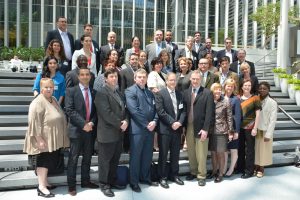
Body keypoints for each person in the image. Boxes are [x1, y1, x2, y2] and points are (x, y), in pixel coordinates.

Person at [24, 78, 69, 198]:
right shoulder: (37, 102)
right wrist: (39, 139)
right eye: (46, 87)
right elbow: (34, 122)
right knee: (43, 161)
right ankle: (41, 187)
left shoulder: (53, 99)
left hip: (51, 137)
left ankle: (45, 183)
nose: (49, 89)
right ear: (41, 88)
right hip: (43, 138)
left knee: (49, 160)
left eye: (51, 87)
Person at [65, 67, 99, 196]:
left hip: (90, 130)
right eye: (82, 75)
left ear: (90, 77)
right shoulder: (71, 91)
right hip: (76, 130)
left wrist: (91, 123)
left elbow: (96, 112)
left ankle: (86, 181)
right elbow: (69, 110)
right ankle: (71, 186)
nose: (85, 76)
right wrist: (83, 124)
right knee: (73, 159)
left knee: (87, 157)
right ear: (78, 77)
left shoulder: (94, 92)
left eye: (87, 74)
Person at [95, 68, 129, 197]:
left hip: (118, 134)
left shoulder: (119, 93)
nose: (114, 79)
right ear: (105, 79)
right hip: (107, 134)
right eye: (111, 77)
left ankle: (112, 180)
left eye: (115, 76)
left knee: (115, 160)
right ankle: (104, 184)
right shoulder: (101, 93)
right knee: (105, 161)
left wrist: (126, 120)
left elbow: (124, 111)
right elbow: (106, 114)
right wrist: (121, 124)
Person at [125, 68, 159, 193]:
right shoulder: (130, 91)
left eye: (144, 77)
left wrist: (154, 121)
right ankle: (134, 182)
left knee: (147, 156)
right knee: (135, 156)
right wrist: (147, 124)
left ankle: (145, 177)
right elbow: (134, 110)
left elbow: (156, 109)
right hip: (138, 130)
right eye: (139, 77)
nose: (142, 79)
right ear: (135, 78)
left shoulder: (150, 93)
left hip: (150, 129)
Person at [183, 71, 214, 186]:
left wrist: (206, 129)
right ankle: (193, 171)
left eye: (197, 79)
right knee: (191, 151)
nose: (195, 81)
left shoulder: (207, 93)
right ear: (190, 79)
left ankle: (201, 175)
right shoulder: (186, 93)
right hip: (189, 126)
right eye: (193, 79)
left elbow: (209, 113)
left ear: (201, 80)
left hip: (201, 127)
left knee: (201, 153)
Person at [155, 72, 186, 189]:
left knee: (175, 154)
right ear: (166, 81)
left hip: (177, 129)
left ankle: (174, 175)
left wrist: (179, 123)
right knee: (163, 154)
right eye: (171, 80)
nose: (173, 82)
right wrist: (172, 122)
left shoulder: (180, 94)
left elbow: (183, 111)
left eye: (174, 80)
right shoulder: (160, 94)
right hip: (165, 130)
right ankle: (162, 177)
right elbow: (160, 111)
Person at [207, 83, 233, 183]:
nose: (217, 91)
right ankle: (214, 171)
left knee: (220, 153)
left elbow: (230, 118)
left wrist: (231, 131)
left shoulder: (226, 102)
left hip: (222, 131)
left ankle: (221, 173)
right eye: (215, 89)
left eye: (219, 89)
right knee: (213, 152)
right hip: (211, 131)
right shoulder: (209, 101)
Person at [237, 79, 261, 179]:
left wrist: (255, 128)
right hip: (240, 128)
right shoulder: (238, 98)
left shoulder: (255, 98)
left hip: (250, 128)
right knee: (240, 149)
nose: (247, 87)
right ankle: (240, 168)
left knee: (250, 150)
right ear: (242, 87)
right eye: (245, 85)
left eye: (249, 85)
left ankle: (249, 171)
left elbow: (258, 114)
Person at [255, 81, 277, 178]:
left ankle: (261, 167)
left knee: (264, 150)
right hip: (256, 129)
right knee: (256, 149)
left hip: (265, 130)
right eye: (260, 88)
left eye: (264, 89)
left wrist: (269, 134)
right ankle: (256, 165)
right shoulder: (255, 99)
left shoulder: (272, 102)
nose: (262, 90)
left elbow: (273, 120)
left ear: (268, 90)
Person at [223, 79, 241, 177]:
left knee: (233, 149)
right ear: (224, 86)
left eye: (231, 86)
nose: (229, 88)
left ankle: (231, 169)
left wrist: (236, 131)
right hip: (222, 128)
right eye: (228, 86)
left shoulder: (236, 99)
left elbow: (238, 116)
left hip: (233, 128)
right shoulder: (220, 97)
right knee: (225, 150)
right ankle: (224, 167)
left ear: (234, 88)